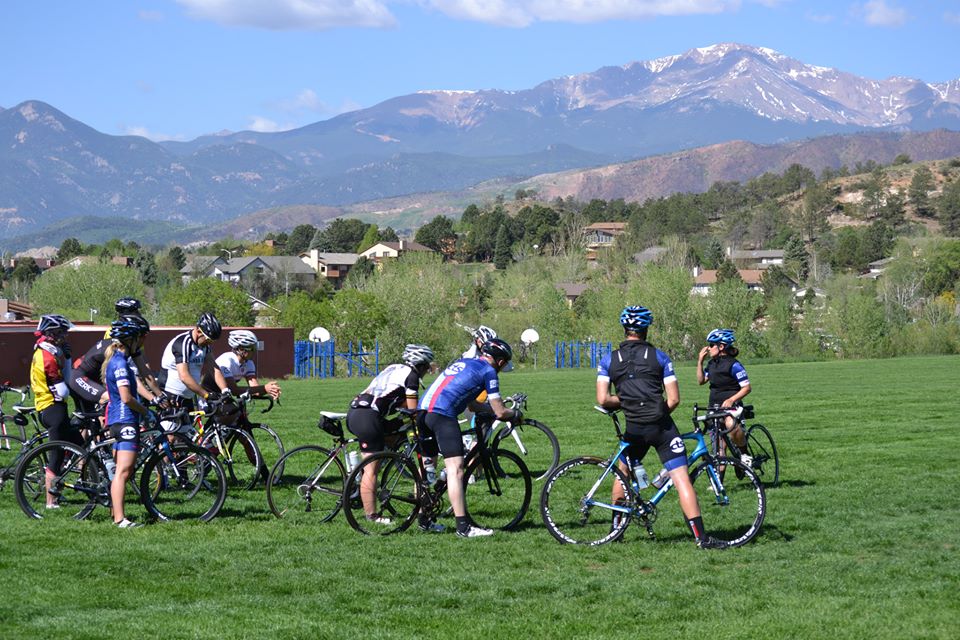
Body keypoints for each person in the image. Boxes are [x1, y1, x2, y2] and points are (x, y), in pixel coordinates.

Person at [596, 305, 725, 549]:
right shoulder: (660, 357)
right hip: (661, 425)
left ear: (625, 329)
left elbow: (603, 399)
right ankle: (701, 538)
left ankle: (616, 530)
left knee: (622, 473)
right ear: (645, 330)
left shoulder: (608, 360)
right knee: (681, 479)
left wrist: (628, 403)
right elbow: (674, 399)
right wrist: (654, 411)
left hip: (633, 426)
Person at [418, 338, 522, 538]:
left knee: (427, 468)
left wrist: (490, 411)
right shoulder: (489, 372)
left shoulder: (464, 362)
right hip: (443, 414)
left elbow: (473, 405)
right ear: (500, 361)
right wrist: (514, 414)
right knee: (456, 470)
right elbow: (500, 411)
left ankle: (423, 518)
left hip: (423, 413)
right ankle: (463, 527)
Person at [347, 344, 436, 529]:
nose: (427, 371)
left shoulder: (393, 368)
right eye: (427, 367)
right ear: (419, 365)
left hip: (357, 412)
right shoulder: (411, 376)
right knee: (371, 470)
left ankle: (358, 481)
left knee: (390, 438)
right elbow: (413, 411)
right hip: (369, 417)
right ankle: (371, 515)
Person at [101, 316, 153, 528]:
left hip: (118, 418)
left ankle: (116, 513)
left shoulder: (117, 360)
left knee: (119, 470)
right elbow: (126, 397)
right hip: (125, 419)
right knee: (124, 470)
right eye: (140, 338)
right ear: (129, 339)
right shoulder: (120, 363)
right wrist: (146, 411)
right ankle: (120, 519)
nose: (142, 343)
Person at [29, 314, 82, 508]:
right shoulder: (46, 356)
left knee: (79, 443)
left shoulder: (48, 351)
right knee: (56, 454)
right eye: (62, 333)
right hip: (52, 408)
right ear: (51, 333)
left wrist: (66, 358)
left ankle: (66, 481)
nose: (65, 336)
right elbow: (63, 388)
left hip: (55, 407)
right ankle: (51, 501)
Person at [69, 313, 165, 413]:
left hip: (93, 379)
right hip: (79, 378)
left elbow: (146, 373)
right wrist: (153, 399)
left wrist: (160, 395)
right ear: (130, 337)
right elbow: (132, 378)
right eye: (142, 336)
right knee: (116, 401)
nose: (144, 339)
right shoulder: (115, 351)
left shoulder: (131, 347)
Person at [696, 328, 752, 456]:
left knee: (730, 423)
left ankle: (744, 453)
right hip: (714, 406)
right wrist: (700, 361)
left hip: (731, 407)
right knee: (719, 451)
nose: (708, 348)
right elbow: (701, 380)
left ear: (721, 346)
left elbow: (747, 388)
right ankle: (719, 476)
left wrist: (732, 399)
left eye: (711, 345)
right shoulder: (711, 364)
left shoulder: (734, 365)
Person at [159, 312, 221, 425]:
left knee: (186, 437)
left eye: (212, 342)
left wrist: (226, 390)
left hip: (188, 396)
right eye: (208, 340)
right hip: (171, 395)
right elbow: (184, 376)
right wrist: (206, 395)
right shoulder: (183, 343)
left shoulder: (204, 346)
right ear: (198, 331)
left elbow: (214, 368)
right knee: (170, 437)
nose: (209, 343)